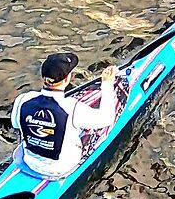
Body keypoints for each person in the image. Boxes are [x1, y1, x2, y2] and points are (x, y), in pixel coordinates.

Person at [12, 52, 122, 180]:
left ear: (43, 77)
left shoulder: (22, 99)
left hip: (29, 163)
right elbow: (107, 118)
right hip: (61, 169)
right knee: (90, 125)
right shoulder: (73, 107)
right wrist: (107, 84)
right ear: (67, 79)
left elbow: (15, 124)